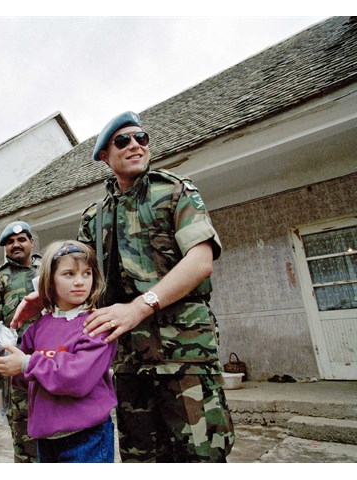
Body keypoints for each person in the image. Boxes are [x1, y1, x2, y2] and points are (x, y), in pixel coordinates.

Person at [12, 111, 235, 462]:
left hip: (184, 355)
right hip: (128, 359)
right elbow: (78, 271)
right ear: (105, 156)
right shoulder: (95, 216)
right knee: (139, 457)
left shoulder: (175, 191)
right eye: (122, 141)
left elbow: (200, 260)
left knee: (200, 456)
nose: (135, 145)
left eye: (141, 138)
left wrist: (139, 307)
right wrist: (41, 296)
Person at [0, 240, 116, 463]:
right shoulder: (39, 326)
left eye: (86, 273)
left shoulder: (96, 325)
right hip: (47, 438)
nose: (80, 282)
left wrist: (27, 364)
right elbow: (26, 378)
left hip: (87, 437)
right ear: (50, 280)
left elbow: (77, 378)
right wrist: (6, 364)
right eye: (69, 274)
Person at [0, 220, 41, 462]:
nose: (15, 245)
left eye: (21, 239)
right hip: (17, 366)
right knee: (24, 432)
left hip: (51, 358)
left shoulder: (48, 268)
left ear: (31, 242)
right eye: (9, 242)